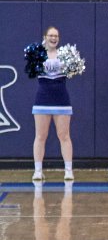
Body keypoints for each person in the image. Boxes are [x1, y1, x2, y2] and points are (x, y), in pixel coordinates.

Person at [31, 26, 75, 185]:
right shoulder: (37, 54)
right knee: (40, 136)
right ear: (45, 37)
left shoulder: (65, 54)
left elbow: (73, 71)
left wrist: (74, 66)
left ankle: (68, 170)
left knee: (64, 135)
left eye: (56, 36)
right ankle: (38, 170)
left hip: (61, 98)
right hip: (42, 98)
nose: (53, 38)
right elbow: (30, 71)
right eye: (50, 35)